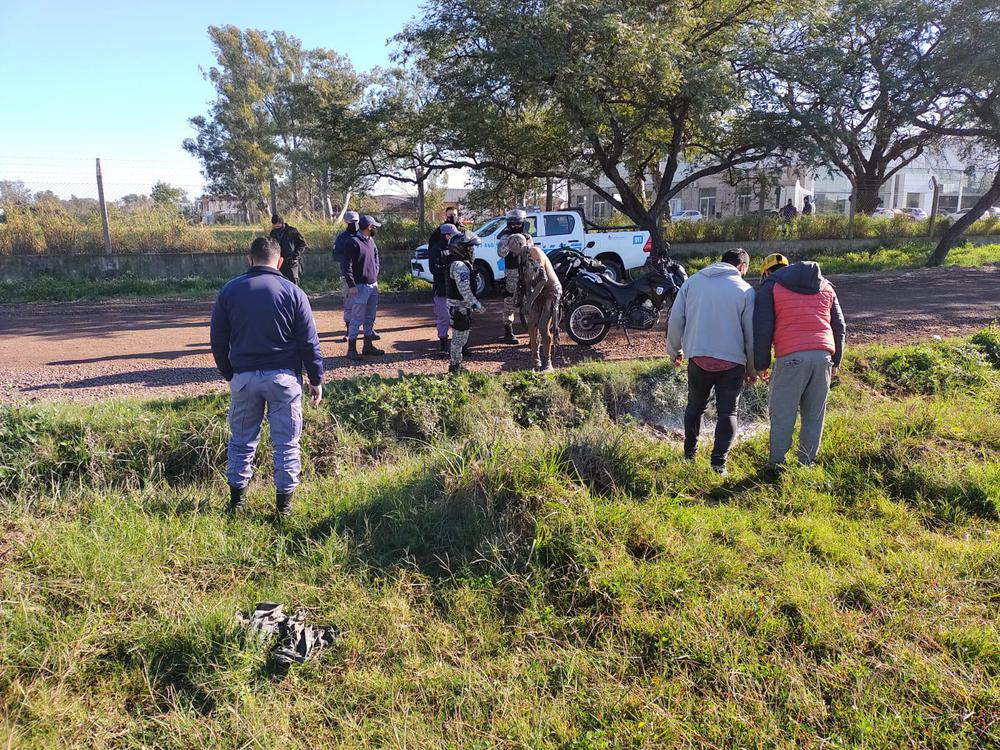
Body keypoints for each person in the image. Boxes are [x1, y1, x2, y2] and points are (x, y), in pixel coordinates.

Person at [210, 236, 323, 518]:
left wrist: (229, 374)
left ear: (249, 259)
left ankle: (237, 504)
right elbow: (309, 342)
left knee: (241, 442)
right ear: (280, 261)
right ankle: (284, 509)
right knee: (286, 444)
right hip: (283, 379)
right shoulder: (294, 292)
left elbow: (218, 340)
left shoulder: (229, 291)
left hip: (244, 379)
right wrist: (315, 379)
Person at [666, 248, 756, 476]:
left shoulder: (692, 283)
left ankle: (689, 454)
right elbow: (751, 335)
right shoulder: (746, 290)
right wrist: (752, 367)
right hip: (732, 362)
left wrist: (675, 350)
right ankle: (718, 464)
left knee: (695, 407)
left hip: (698, 358)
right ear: (742, 267)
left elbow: (675, 319)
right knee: (728, 413)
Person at [753, 253, 846, 473]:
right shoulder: (826, 286)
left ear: (766, 272)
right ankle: (806, 464)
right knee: (814, 415)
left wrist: (761, 364)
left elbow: (762, 328)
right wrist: (836, 361)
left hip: (791, 357)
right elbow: (839, 326)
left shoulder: (771, 286)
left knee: (783, 414)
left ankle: (777, 466)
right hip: (823, 356)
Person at [514, 234, 562, 372]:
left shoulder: (534, 251)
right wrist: (523, 299)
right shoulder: (521, 258)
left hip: (550, 291)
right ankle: (535, 360)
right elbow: (526, 281)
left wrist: (529, 301)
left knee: (543, 326)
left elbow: (542, 279)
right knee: (532, 325)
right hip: (537, 293)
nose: (511, 252)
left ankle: (547, 362)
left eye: (512, 248)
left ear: (519, 244)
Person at [342, 215, 384, 361]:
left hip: (372, 285)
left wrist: (375, 273)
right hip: (359, 286)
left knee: (370, 317)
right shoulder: (352, 242)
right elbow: (346, 265)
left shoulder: (370, 241)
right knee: (356, 318)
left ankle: (368, 346)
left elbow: (376, 257)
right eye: (374, 227)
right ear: (369, 227)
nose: (375, 229)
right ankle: (351, 349)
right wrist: (351, 284)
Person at [445, 231, 484, 374]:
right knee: (458, 337)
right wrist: (476, 305)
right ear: (460, 248)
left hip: (461, 305)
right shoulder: (459, 265)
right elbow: (464, 290)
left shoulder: (461, 263)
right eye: (469, 247)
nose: (472, 250)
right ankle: (455, 366)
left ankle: (457, 364)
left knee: (463, 336)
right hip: (458, 305)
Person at [496, 209, 531, 344]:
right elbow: (501, 253)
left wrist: (524, 242)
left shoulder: (527, 236)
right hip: (512, 273)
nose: (516, 226)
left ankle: (532, 330)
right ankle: (508, 331)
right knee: (509, 300)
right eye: (513, 224)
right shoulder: (505, 237)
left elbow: (531, 251)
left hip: (526, 271)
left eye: (519, 224)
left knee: (530, 299)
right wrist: (511, 242)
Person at [428, 221, 462, 352]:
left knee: (458, 317)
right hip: (441, 289)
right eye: (453, 235)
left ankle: (459, 344)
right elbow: (433, 269)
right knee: (444, 317)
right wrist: (449, 268)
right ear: (446, 235)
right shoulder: (435, 250)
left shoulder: (456, 248)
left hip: (455, 289)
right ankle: (443, 343)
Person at [331, 210, 360, 339]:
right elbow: (335, 255)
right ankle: (349, 329)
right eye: (351, 222)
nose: (354, 224)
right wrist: (348, 258)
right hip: (348, 276)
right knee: (349, 303)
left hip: (364, 275)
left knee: (367, 303)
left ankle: (369, 329)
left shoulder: (363, 236)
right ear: (346, 222)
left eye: (356, 221)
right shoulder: (341, 238)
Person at [270, 214, 307, 285]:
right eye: (275, 225)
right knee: (281, 283)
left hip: (292, 262)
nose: (277, 226)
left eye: (278, 224)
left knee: (294, 282)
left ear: (282, 222)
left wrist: (295, 255)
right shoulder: (273, 233)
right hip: (279, 262)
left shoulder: (292, 231)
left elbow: (302, 244)